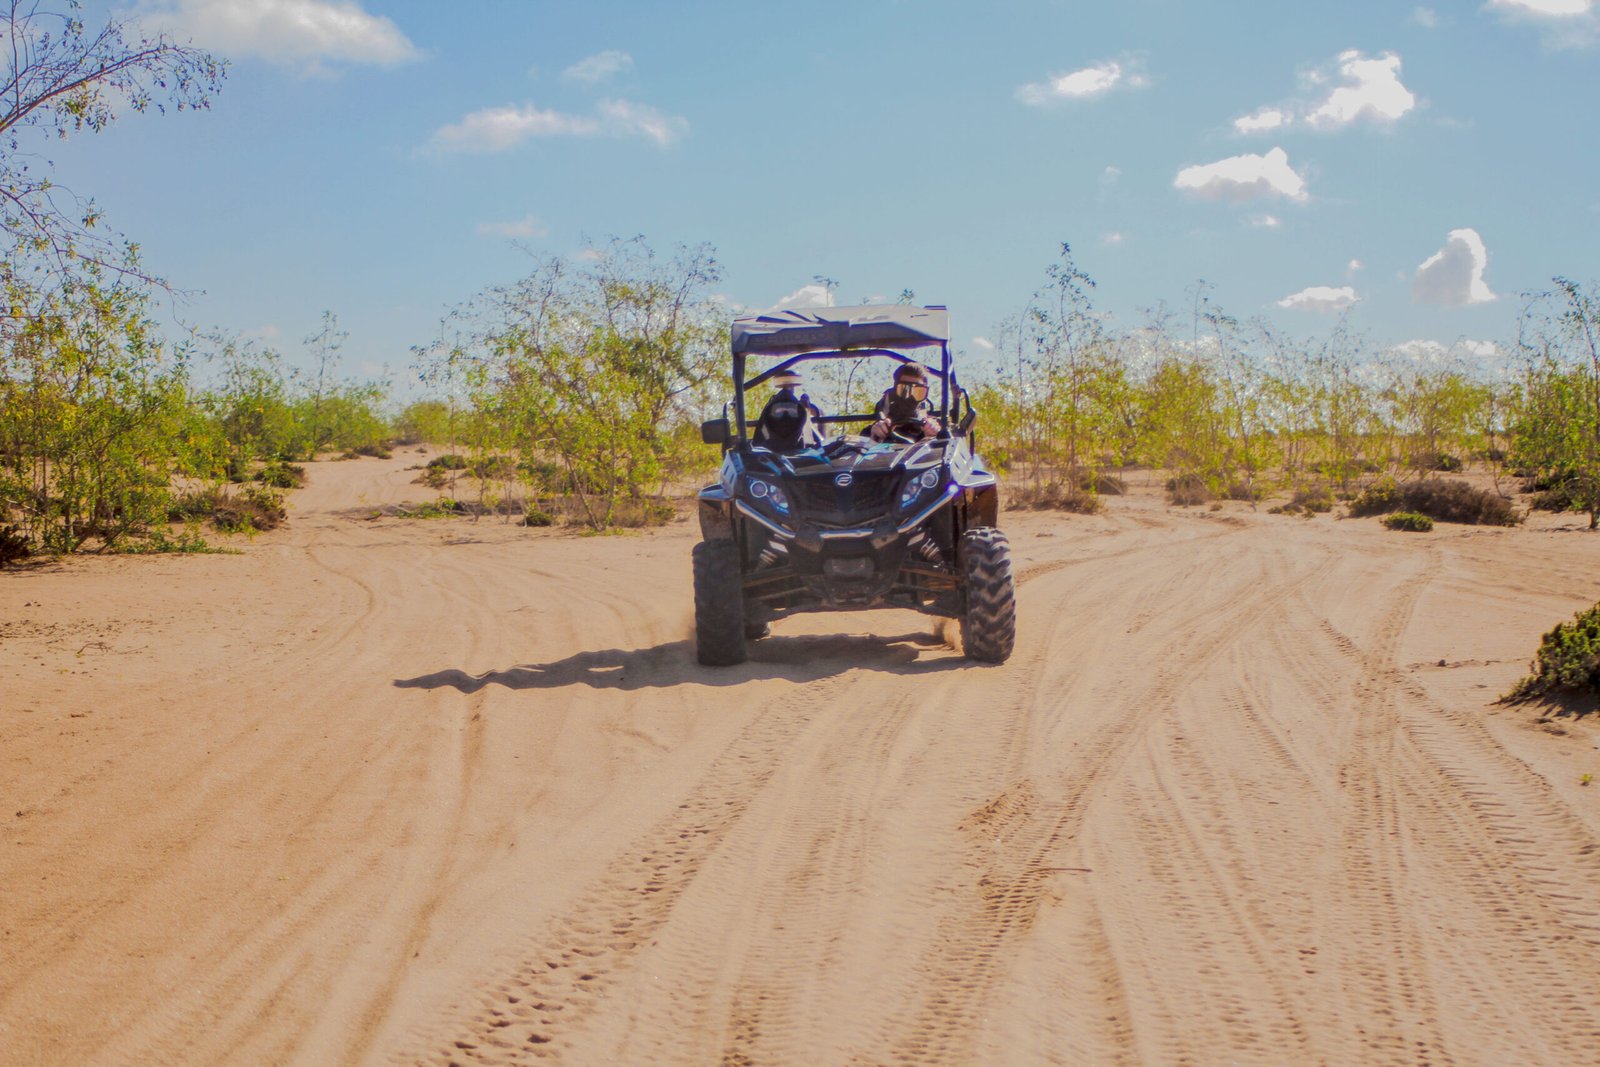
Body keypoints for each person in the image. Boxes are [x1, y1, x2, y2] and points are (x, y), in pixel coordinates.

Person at [868, 362, 941, 442]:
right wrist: (873, 438)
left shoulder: (935, 428)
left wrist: (935, 436)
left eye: (918, 392)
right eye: (904, 390)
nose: (910, 398)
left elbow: (949, 447)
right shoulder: (875, 430)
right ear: (895, 391)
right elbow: (860, 449)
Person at [752, 370, 824, 451]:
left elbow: (760, 433)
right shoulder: (798, 407)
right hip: (793, 450)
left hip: (774, 449)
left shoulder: (772, 404)